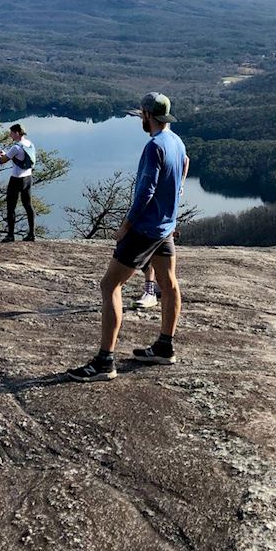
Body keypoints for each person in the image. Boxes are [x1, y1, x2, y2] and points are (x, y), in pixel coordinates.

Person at [68, 92, 188, 382]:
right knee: (168, 283)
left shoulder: (154, 146)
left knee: (110, 284)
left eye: (141, 115)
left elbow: (146, 191)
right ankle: (164, 346)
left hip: (145, 229)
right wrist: (174, 200)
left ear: (148, 115)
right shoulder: (176, 141)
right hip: (164, 228)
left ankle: (105, 361)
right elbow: (185, 164)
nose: (140, 119)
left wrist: (126, 225)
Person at [0, 123, 37, 242]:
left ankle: (10, 235)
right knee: (28, 206)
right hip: (28, 178)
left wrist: (0, 154)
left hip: (16, 179)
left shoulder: (16, 147)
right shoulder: (30, 144)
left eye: (11, 133)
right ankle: (32, 233)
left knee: (11, 207)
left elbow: (3, 161)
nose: (10, 135)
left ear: (16, 133)